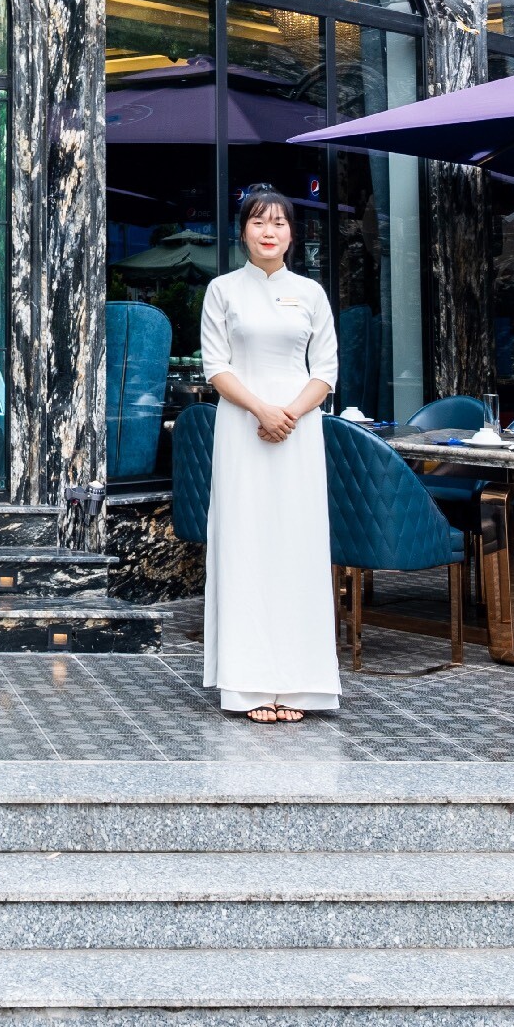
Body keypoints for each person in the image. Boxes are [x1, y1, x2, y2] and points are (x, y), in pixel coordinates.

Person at [199, 185, 340, 723]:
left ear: (291, 234)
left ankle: (300, 684)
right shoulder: (223, 290)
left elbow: (325, 370)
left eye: (279, 223)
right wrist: (261, 409)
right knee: (245, 545)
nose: (269, 231)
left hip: (298, 434)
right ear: (243, 232)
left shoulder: (310, 293)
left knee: (297, 546)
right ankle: (249, 683)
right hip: (242, 429)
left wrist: (290, 414)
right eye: (259, 221)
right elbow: (216, 366)